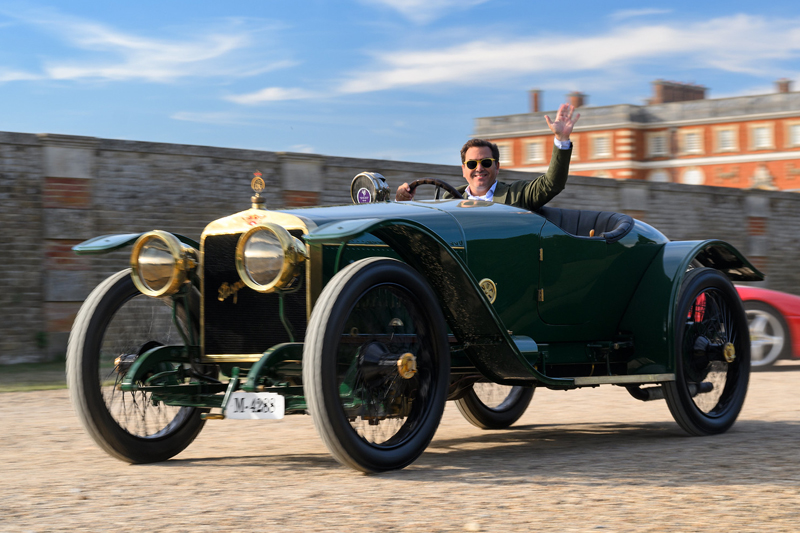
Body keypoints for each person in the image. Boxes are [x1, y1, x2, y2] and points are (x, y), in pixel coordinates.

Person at [396, 103, 580, 210]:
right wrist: (403, 203)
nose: (479, 168)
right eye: (471, 164)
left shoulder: (517, 195)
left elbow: (552, 184)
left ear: (497, 167)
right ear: (463, 170)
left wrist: (561, 139)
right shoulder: (449, 199)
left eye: (485, 162)